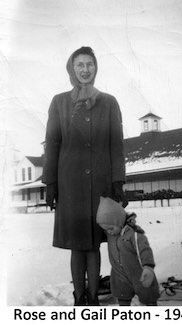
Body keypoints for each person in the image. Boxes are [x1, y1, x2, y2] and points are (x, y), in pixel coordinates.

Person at [42, 46, 128, 306]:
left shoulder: (109, 102)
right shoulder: (59, 102)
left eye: (89, 64)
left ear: (95, 68)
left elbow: (116, 144)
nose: (85, 69)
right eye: (79, 64)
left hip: (100, 184)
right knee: (77, 244)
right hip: (70, 184)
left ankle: (93, 298)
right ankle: (80, 298)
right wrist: (51, 183)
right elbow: (52, 143)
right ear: (72, 68)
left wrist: (117, 182)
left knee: (93, 243)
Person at [96, 196, 160, 306]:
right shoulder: (112, 233)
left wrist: (148, 267)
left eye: (111, 228)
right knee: (122, 294)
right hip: (119, 273)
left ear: (119, 221)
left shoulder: (134, 234)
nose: (109, 232)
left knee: (147, 293)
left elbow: (144, 250)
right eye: (105, 230)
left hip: (138, 272)